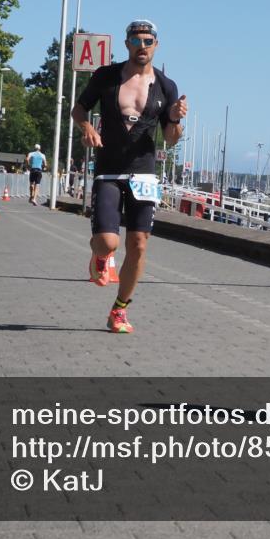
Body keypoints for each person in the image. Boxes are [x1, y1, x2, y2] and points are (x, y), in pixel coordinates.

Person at [71, 19, 187, 334]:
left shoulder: (166, 86)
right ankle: (99, 257)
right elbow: (78, 109)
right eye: (136, 42)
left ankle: (119, 310)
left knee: (138, 244)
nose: (142, 47)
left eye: (148, 41)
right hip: (108, 169)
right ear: (127, 45)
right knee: (108, 243)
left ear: (156, 45)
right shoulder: (106, 76)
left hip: (144, 173)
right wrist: (88, 128)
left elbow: (171, 137)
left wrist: (175, 119)